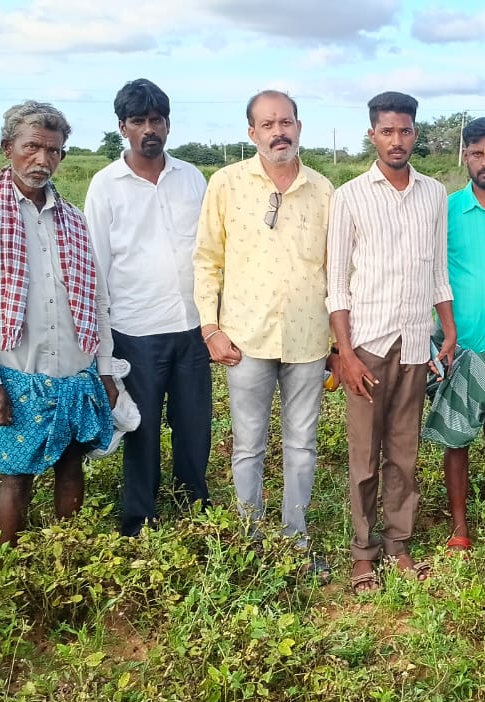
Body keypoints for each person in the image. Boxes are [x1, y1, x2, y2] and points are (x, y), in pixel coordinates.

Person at [0, 101, 118, 547]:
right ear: (8, 148)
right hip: (16, 375)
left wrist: (104, 369)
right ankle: (13, 568)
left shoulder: (75, 220)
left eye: (53, 150)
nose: (42, 160)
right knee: (16, 477)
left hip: (74, 373)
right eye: (31, 147)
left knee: (70, 468)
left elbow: (98, 302)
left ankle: (66, 560)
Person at [193, 90, 333, 573]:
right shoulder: (227, 184)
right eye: (268, 124)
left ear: (299, 126)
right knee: (248, 443)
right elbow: (207, 259)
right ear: (252, 133)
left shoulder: (323, 189)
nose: (279, 132)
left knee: (302, 444)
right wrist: (211, 328)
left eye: (286, 122)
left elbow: (336, 270)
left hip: (309, 339)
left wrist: (338, 342)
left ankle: (296, 542)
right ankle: (249, 541)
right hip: (244, 338)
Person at [326, 91, 455, 593]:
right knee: (364, 456)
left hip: (417, 342)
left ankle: (398, 543)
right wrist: (345, 355)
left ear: (415, 134)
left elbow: (437, 271)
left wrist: (449, 330)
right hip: (368, 347)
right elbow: (336, 282)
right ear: (372, 134)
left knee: (404, 452)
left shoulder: (434, 193)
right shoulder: (351, 196)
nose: (396, 140)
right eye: (387, 131)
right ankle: (363, 553)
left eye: (405, 131)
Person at [85, 79, 211, 537]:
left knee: (194, 424)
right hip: (135, 330)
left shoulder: (191, 178)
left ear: (168, 124)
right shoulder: (105, 186)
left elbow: (209, 252)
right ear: (123, 127)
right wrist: (102, 349)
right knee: (141, 427)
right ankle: (139, 518)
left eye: (156, 119)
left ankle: (195, 504)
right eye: (138, 121)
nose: (149, 129)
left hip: (193, 326)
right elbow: (96, 267)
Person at [422, 116, 485, 551]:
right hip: (458, 345)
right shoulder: (445, 211)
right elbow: (428, 273)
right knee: (456, 438)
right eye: (478, 153)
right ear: (464, 155)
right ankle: (460, 529)